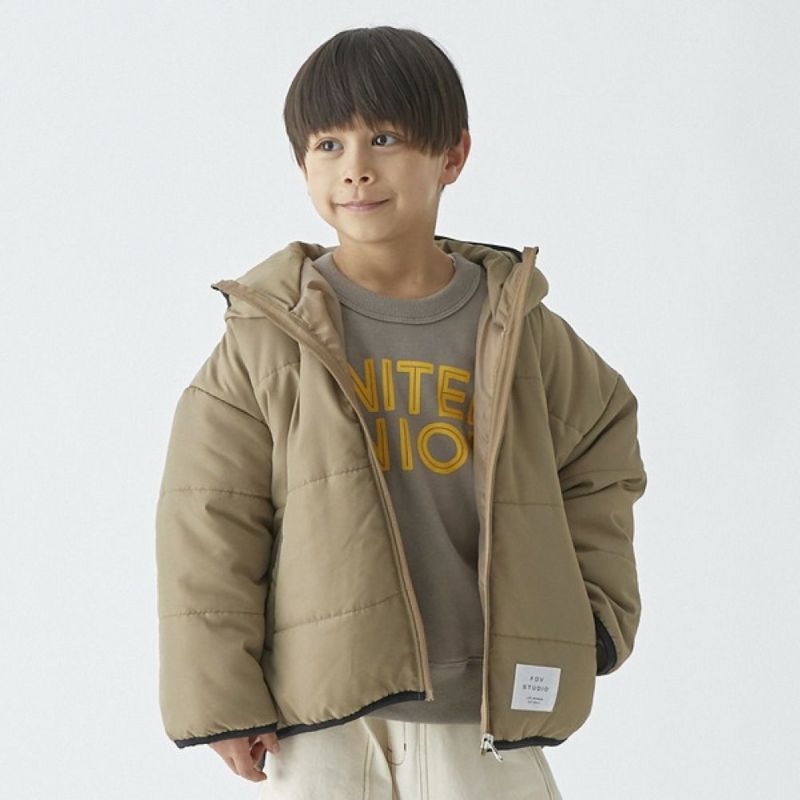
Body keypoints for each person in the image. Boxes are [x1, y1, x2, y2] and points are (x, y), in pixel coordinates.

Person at [155, 25, 647, 799]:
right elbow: (209, 518)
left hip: (482, 711)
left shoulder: (514, 328)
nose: (356, 168)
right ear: (302, 165)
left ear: (453, 155)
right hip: (321, 714)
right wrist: (221, 698)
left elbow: (602, 442)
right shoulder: (268, 335)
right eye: (328, 145)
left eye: (384, 138)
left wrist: (591, 614)